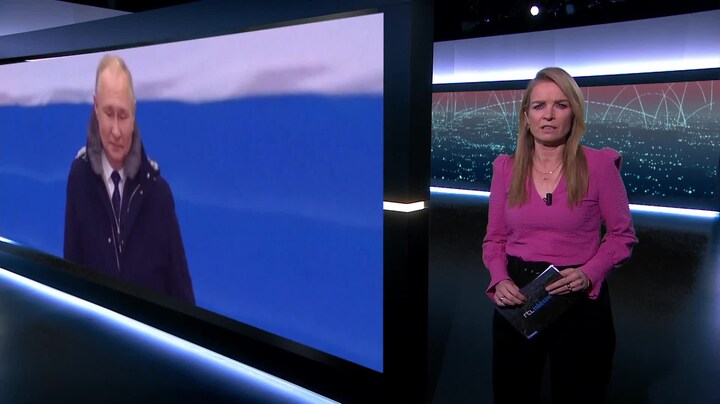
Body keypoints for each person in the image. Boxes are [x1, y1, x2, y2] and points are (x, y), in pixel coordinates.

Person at [482, 67, 637, 403]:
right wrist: (499, 278)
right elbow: (494, 238)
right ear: (526, 117)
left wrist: (589, 273)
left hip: (579, 295)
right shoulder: (506, 168)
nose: (549, 115)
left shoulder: (599, 166)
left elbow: (622, 236)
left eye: (560, 105)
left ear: (574, 113)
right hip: (519, 293)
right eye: (539, 106)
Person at [64, 54, 195, 304]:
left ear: (134, 114)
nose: (116, 131)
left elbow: (183, 297)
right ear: (96, 107)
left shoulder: (158, 194)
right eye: (109, 113)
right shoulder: (79, 179)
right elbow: (71, 283)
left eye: (123, 116)